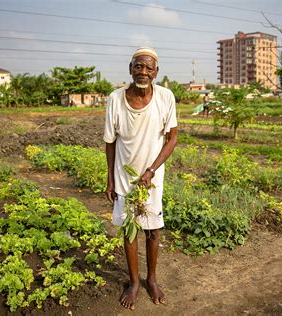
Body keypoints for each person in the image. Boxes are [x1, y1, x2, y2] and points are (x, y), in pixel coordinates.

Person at [103, 46, 178, 310]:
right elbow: (110, 142)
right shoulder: (115, 99)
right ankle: (134, 282)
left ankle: (152, 279)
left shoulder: (166, 97)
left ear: (156, 72)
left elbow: (172, 137)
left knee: (153, 229)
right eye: (138, 66)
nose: (143, 71)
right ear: (130, 68)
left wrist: (151, 170)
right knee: (129, 229)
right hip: (125, 176)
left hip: (152, 179)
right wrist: (110, 179)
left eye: (148, 67)